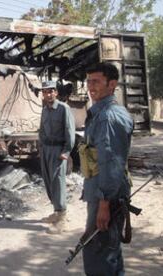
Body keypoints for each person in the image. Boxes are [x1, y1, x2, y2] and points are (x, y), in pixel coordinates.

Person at [81, 62, 133, 275]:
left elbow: (111, 162)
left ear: (112, 84)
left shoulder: (108, 117)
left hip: (107, 196)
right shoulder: (102, 113)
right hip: (103, 193)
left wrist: (104, 203)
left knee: (99, 253)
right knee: (108, 251)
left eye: (96, 81)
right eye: (88, 81)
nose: (91, 86)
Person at [39, 80, 75, 231]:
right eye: (45, 91)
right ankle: (56, 211)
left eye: (51, 91)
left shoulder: (63, 108)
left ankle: (62, 218)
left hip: (58, 150)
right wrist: (41, 147)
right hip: (46, 149)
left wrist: (66, 152)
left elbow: (70, 132)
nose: (48, 94)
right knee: (48, 181)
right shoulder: (45, 109)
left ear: (56, 92)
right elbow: (41, 129)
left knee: (58, 182)